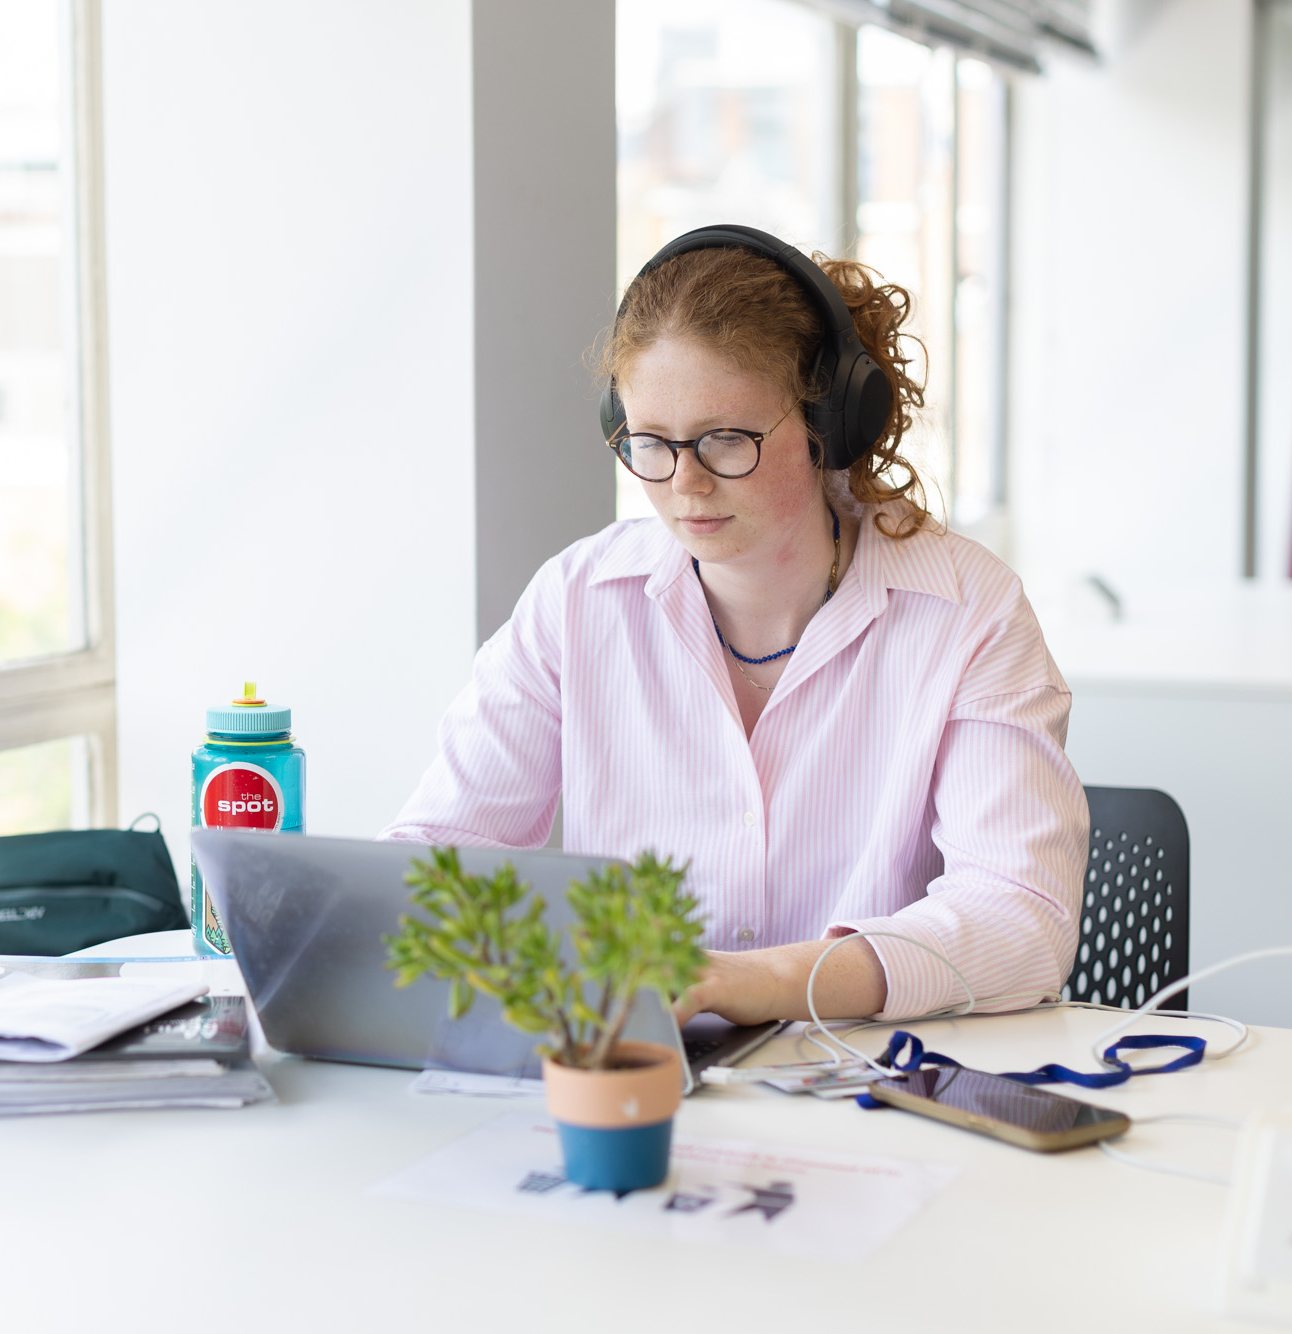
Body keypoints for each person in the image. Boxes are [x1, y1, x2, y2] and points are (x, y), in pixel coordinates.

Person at [381, 226, 1089, 1028]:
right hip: (634, 1080)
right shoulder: (579, 601)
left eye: (725, 440)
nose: (684, 484)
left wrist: (763, 982)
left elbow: (1020, 915)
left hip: (870, 1092)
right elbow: (439, 855)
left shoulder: (968, 613)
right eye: (649, 443)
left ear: (832, 424)